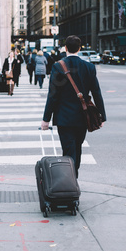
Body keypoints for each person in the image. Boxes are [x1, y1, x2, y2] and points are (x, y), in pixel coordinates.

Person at [41, 35, 106, 177]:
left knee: (68, 150)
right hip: (83, 117)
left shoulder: (58, 67)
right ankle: (73, 178)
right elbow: (96, 93)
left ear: (65, 48)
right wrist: (101, 116)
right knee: (77, 148)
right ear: (80, 48)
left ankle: (70, 182)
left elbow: (52, 95)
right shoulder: (89, 67)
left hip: (64, 117)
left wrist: (46, 119)